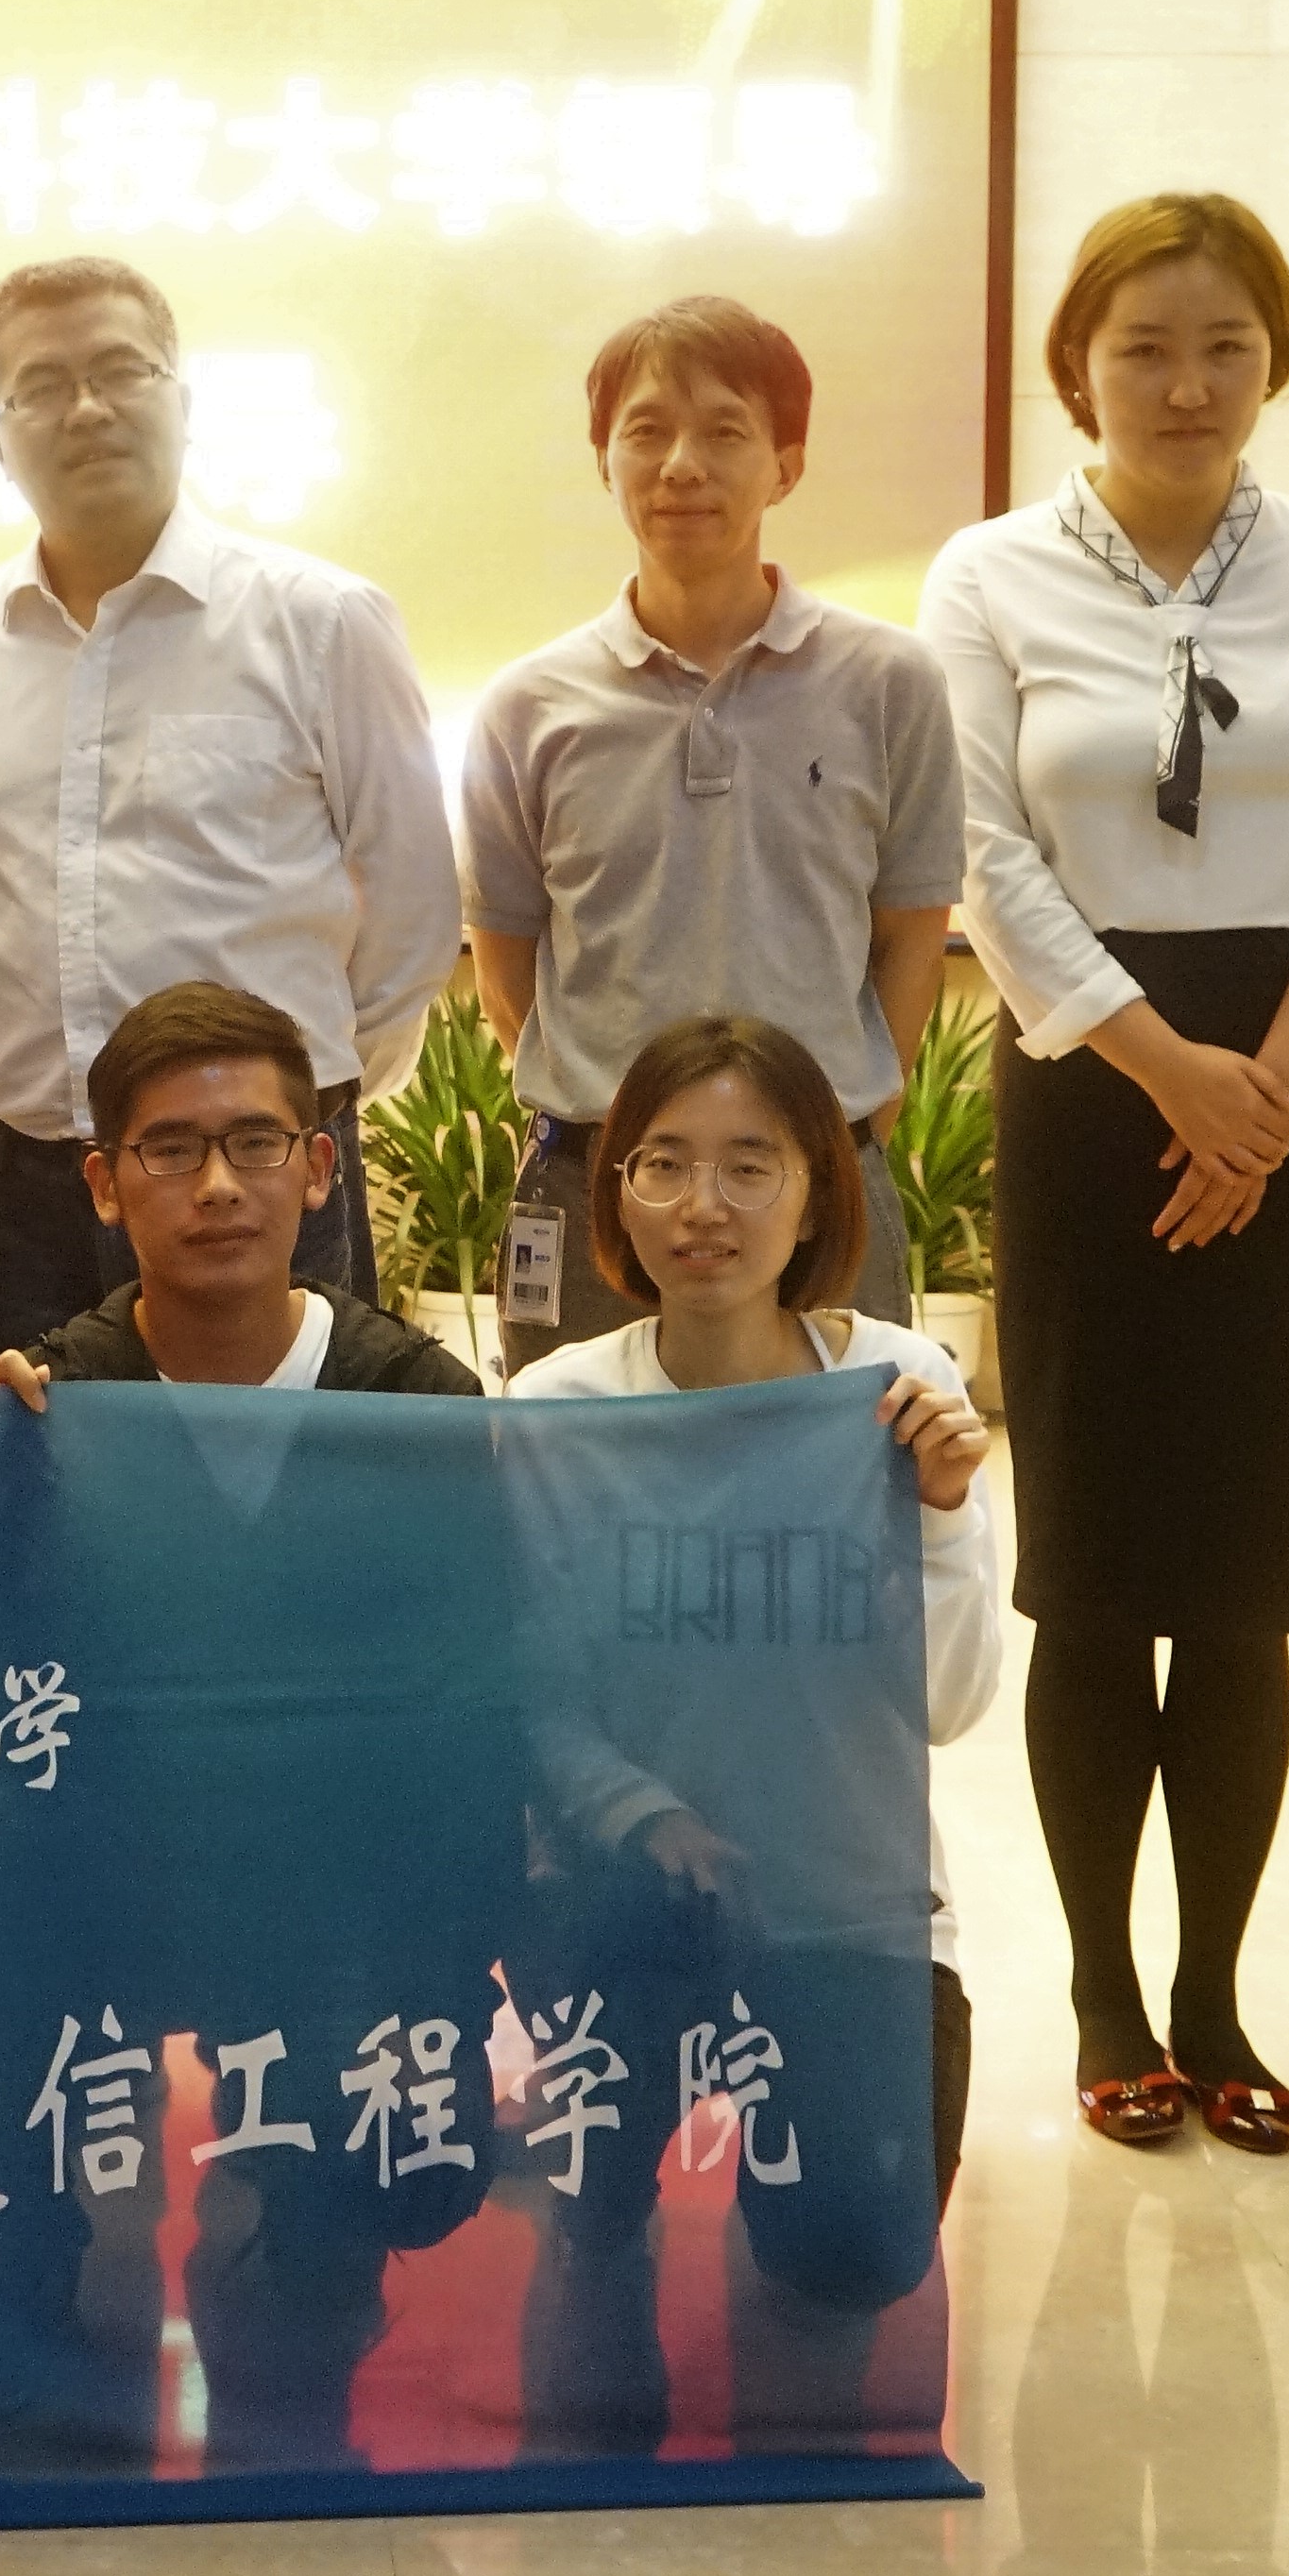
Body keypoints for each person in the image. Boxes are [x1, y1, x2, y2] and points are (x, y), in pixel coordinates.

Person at [917, 192, 1289, 2160]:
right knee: (1096, 1572)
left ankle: (1214, 1993)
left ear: (1273, 359)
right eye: (1145, 346)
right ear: (1079, 366)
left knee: (1243, 1576)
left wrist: (1265, 1093)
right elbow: (983, 850)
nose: (1188, 382)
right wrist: (1166, 1070)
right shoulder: (988, 574)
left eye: (1227, 344)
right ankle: (1103, 1994)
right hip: (1085, 1080)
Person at [0, 981, 504, 2481]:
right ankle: (31, 2230)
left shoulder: (415, 1403)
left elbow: (476, 1696)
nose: (219, 1185)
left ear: (321, 1167)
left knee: (405, 2179)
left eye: (256, 1144)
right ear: (105, 1185)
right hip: (124, 1866)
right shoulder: (45, 1409)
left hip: (346, 1889)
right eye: (171, 1150)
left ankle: (306, 2231)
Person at [500, 1013, 996, 2450]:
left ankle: (794, 2201)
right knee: (593, 2289)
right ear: (616, 1194)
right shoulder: (555, 1409)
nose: (701, 1207)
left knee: (854, 2255)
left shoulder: (893, 1391)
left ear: (817, 1192)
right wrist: (643, 1818)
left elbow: (953, 1704)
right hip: (621, 1895)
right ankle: (603, 2228)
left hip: (849, 1907)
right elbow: (527, 1691)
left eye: (748, 1166)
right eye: (661, 1164)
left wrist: (943, 1522)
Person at [0, 259, 459, 1376]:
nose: (86, 408)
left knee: (289, 1472)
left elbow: (410, 913)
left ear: (184, 401)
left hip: (257, 1181)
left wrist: (287, 1111)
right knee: (34, 1475)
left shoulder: (322, 621)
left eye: (121, 371)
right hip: (24, 1187)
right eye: (40, 386)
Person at [465, 297, 964, 1370]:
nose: (681, 465)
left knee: (834, 1458)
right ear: (605, 460)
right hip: (595, 1181)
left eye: (725, 431)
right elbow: (506, 962)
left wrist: (830, 1140)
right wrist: (622, 1131)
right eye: (646, 431)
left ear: (786, 465)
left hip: (816, 1180)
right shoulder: (527, 706)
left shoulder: (890, 683)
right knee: (577, 1464)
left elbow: (911, 937)